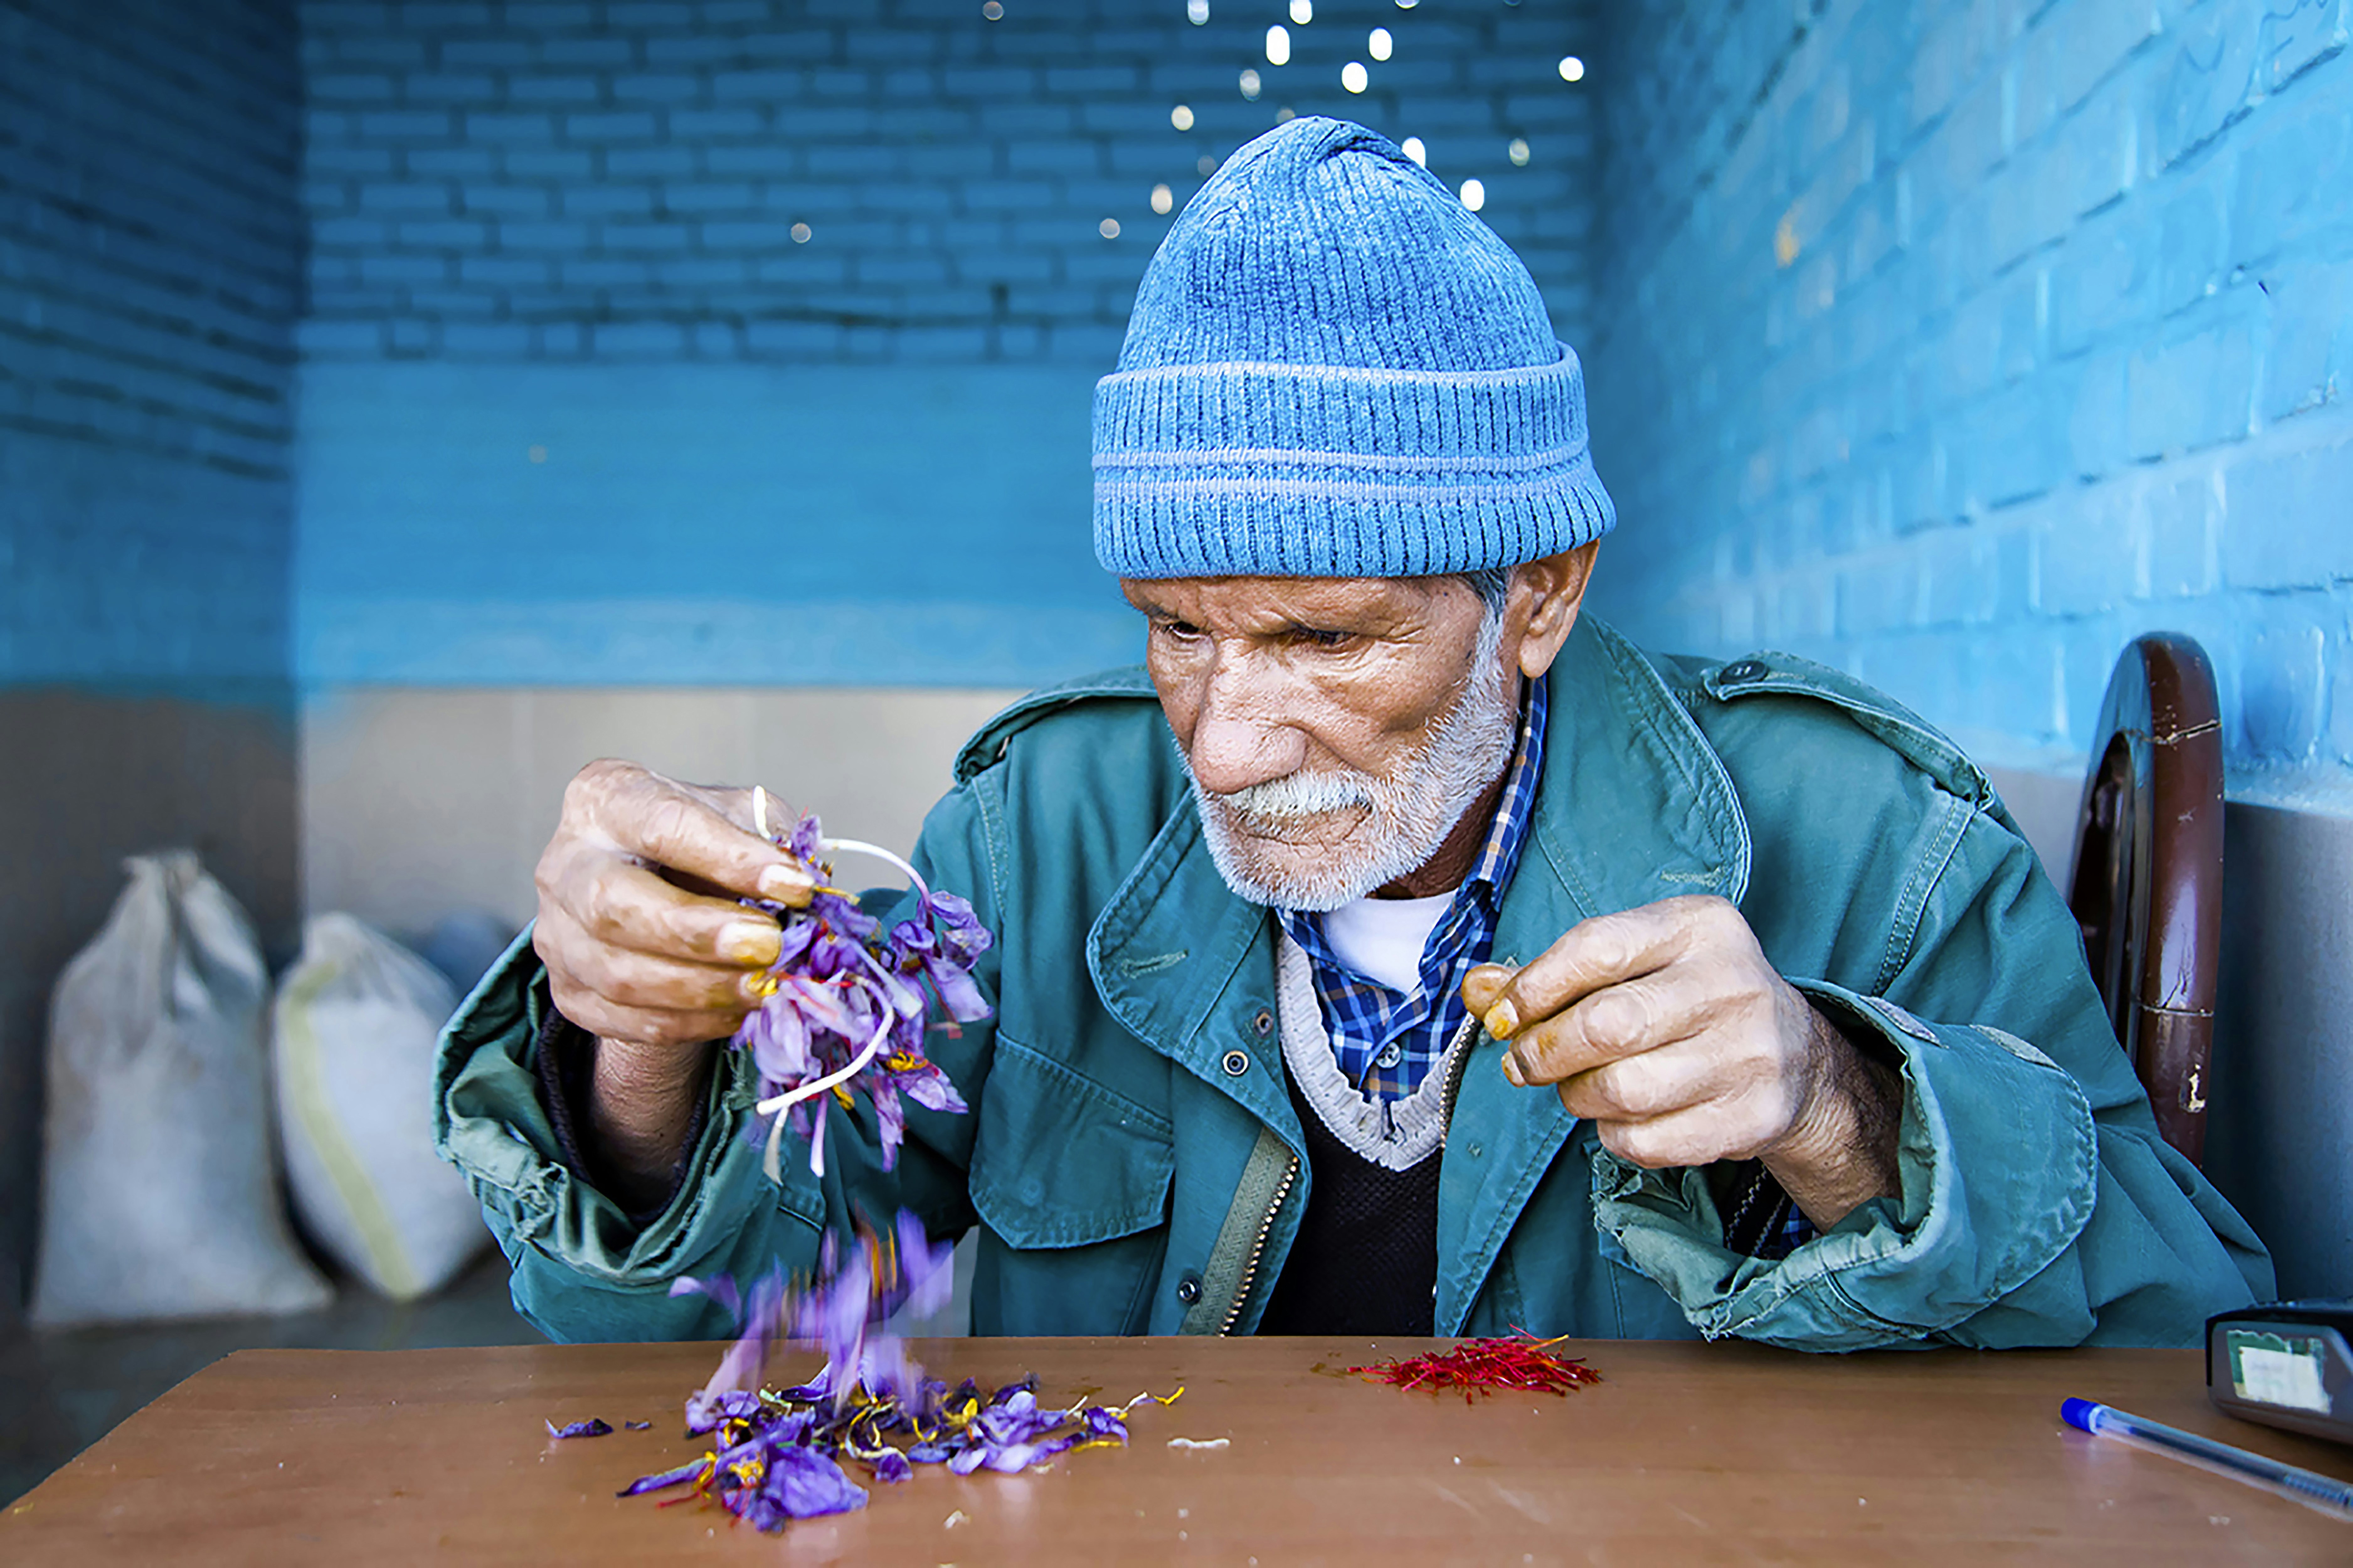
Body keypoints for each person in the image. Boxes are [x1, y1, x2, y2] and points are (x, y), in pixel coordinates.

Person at [436, 117, 2269, 1349]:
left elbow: (2201, 1329)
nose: (1227, 743)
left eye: (1326, 636)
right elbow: (714, 1319)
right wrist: (636, 1055)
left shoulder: (1870, 838)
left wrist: (1838, 1106)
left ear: (1537, 592)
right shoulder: (1033, 830)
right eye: (1177, 633)